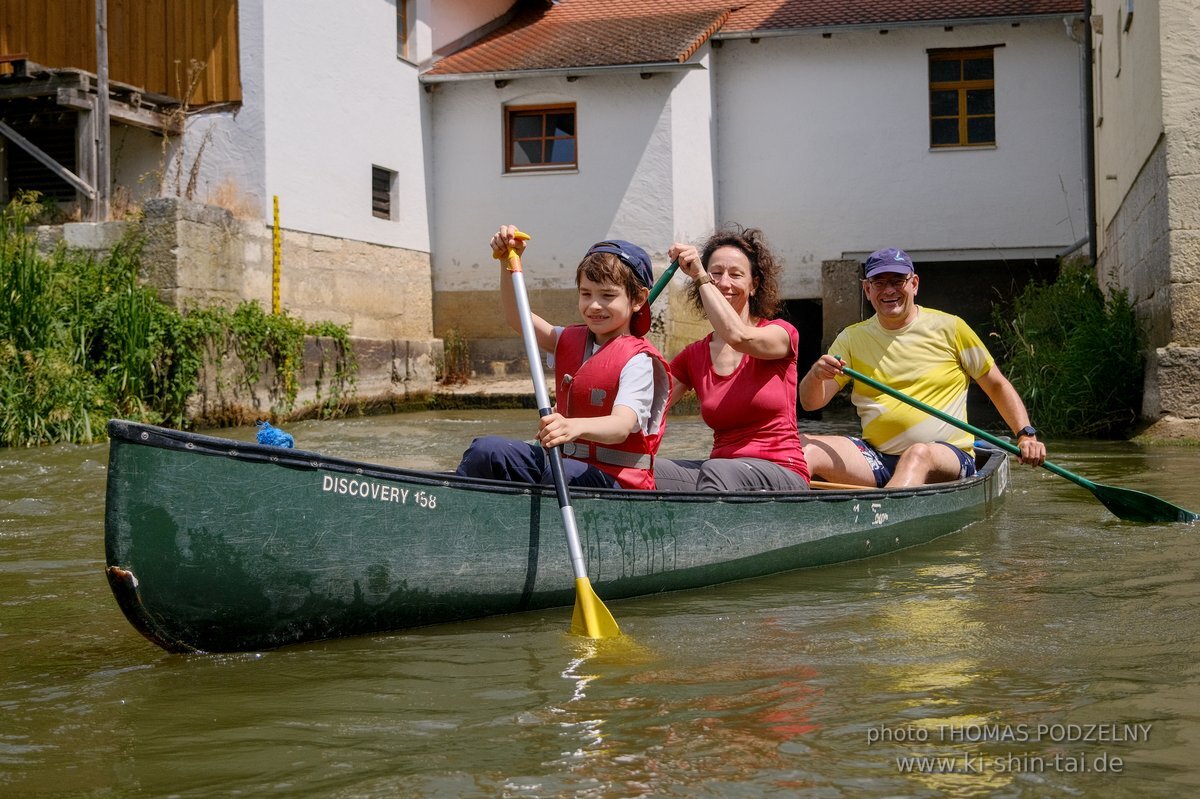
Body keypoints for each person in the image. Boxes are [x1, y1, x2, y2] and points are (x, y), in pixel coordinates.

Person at [798, 247, 1047, 488]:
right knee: (803, 446)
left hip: (947, 457)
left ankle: (887, 518)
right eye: (879, 283)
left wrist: (1026, 434)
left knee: (916, 455)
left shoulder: (952, 328)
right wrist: (816, 375)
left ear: (914, 284)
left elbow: (996, 385)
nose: (889, 290)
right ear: (867, 289)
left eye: (898, 281)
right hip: (877, 456)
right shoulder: (851, 338)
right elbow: (811, 404)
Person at [455, 225, 671, 489]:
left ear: (638, 299)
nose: (594, 306)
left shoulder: (639, 361)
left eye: (608, 296)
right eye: (586, 294)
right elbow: (517, 317)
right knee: (486, 451)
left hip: (617, 479)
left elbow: (621, 425)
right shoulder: (567, 340)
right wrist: (507, 262)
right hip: (563, 463)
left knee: (562, 474)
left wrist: (572, 428)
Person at [653, 226, 811, 492]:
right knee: (642, 468)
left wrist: (702, 277)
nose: (724, 283)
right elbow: (649, 406)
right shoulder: (693, 356)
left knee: (718, 469)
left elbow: (739, 337)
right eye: (716, 273)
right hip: (721, 475)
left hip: (782, 471)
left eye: (736, 275)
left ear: (754, 285)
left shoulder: (781, 334)